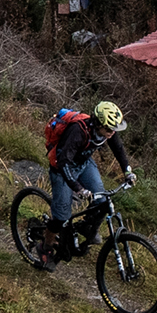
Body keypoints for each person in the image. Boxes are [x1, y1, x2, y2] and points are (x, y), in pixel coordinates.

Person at [44, 101, 132, 254]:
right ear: (98, 124)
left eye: (114, 128)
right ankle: (45, 248)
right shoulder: (78, 131)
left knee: (102, 202)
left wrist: (127, 171)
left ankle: (86, 228)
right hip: (62, 168)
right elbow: (63, 161)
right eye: (109, 128)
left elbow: (118, 149)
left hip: (83, 163)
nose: (112, 132)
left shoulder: (107, 130)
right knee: (61, 218)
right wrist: (78, 188)